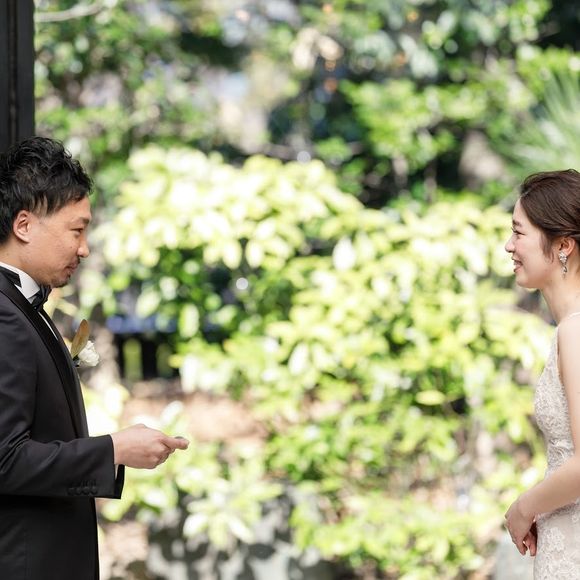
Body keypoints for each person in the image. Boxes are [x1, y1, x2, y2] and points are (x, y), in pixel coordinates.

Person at [0, 136, 189, 580]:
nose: (84, 248)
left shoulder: (23, 306)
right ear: (24, 225)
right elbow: (4, 459)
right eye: (76, 230)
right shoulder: (4, 315)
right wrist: (114, 449)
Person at [504, 168, 580, 578]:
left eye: (518, 233)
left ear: (563, 245)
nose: (509, 246)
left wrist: (523, 508)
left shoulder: (576, 332)